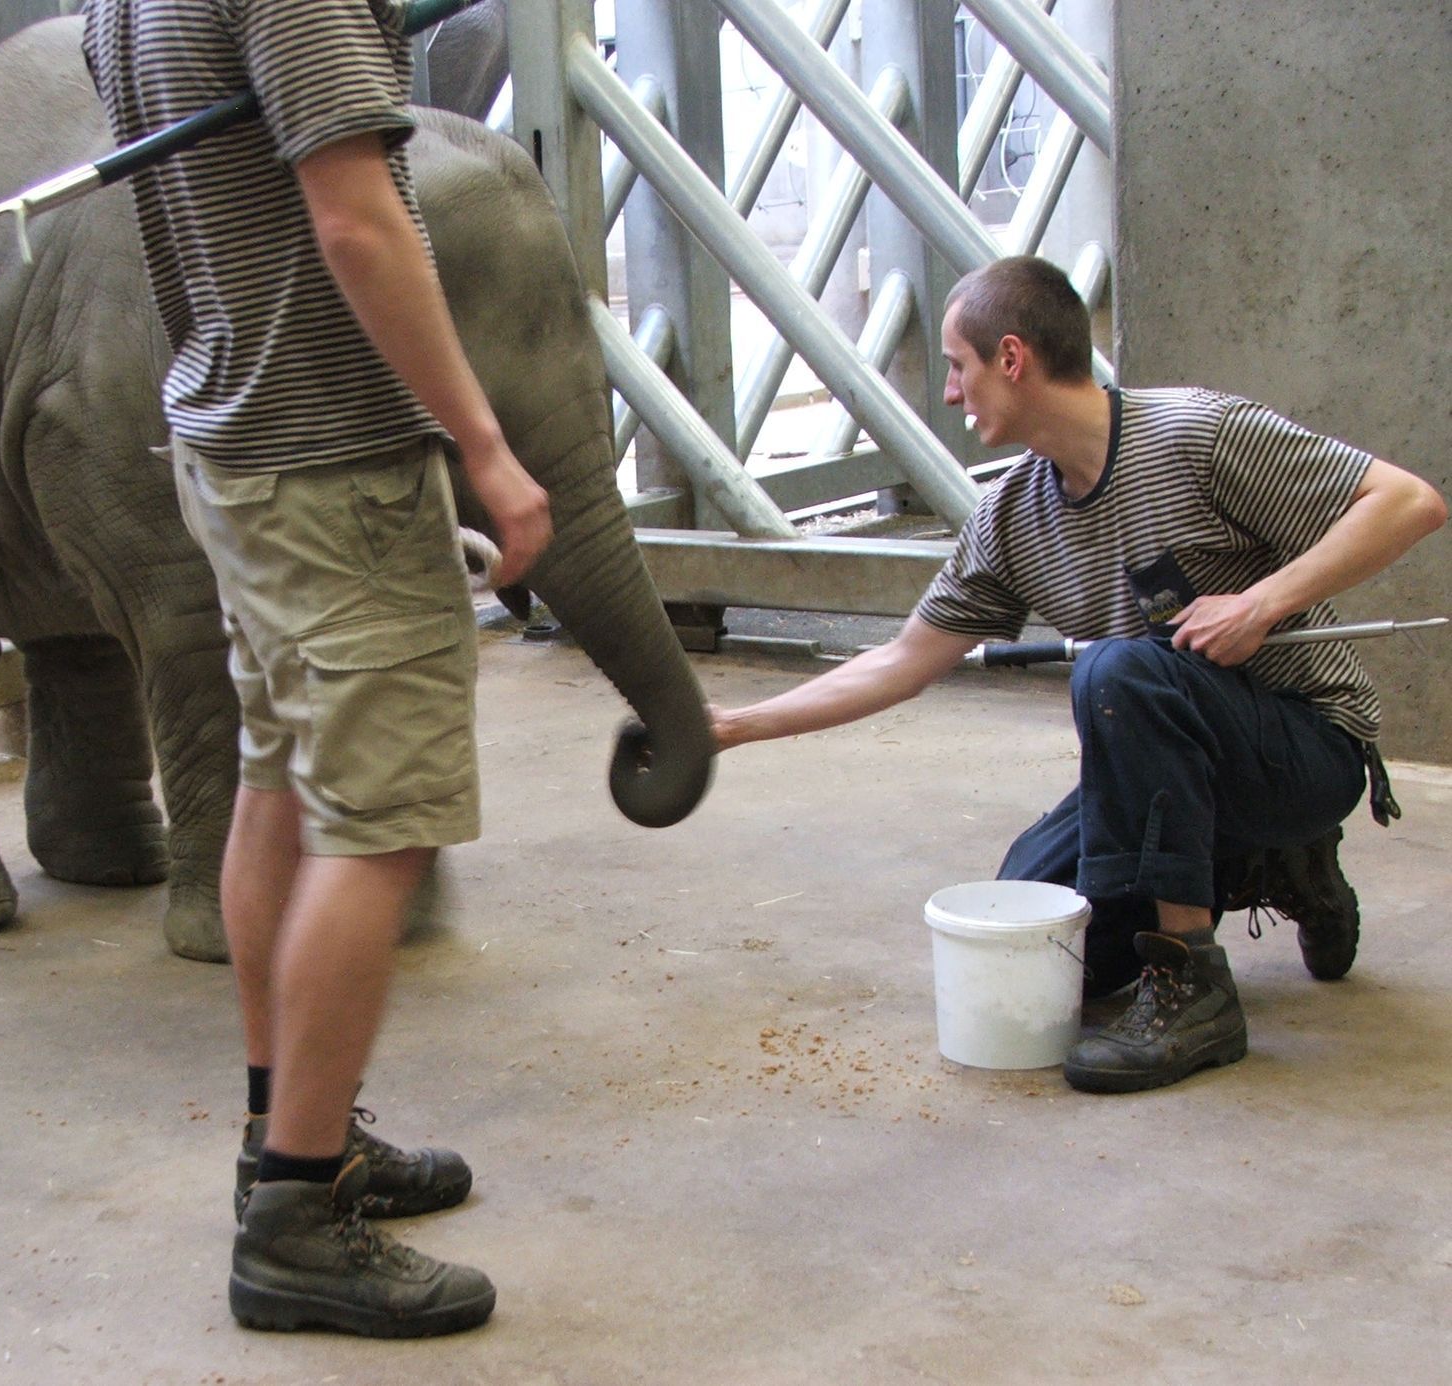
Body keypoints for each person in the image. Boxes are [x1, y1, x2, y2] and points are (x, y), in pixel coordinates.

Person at [81, 0, 550, 1338]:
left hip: (234, 438)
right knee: (382, 824)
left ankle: (296, 1129)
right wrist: (484, 443)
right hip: (331, 458)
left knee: (281, 781)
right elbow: (355, 217)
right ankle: (295, 1214)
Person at [711, 255, 1444, 1095]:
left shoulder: (1195, 434)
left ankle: (1193, 986)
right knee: (1047, 932)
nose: (951, 393)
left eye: (958, 366)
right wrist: (735, 726)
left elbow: (1408, 502)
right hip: (1175, 761)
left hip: (1305, 742)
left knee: (1118, 671)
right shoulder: (1012, 515)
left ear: (1012, 359)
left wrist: (1261, 605)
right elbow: (903, 660)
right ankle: (1273, 868)